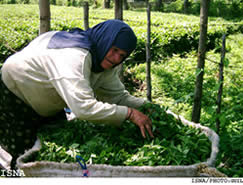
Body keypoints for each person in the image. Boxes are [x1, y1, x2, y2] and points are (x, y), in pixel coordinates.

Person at [0, 19, 154, 169]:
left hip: (46, 94)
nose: (116, 59)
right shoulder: (76, 56)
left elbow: (118, 96)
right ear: (104, 40)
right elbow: (83, 108)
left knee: (53, 136)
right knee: (23, 151)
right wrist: (130, 114)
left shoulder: (102, 61)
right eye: (114, 50)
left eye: (122, 55)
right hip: (17, 89)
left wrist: (148, 107)